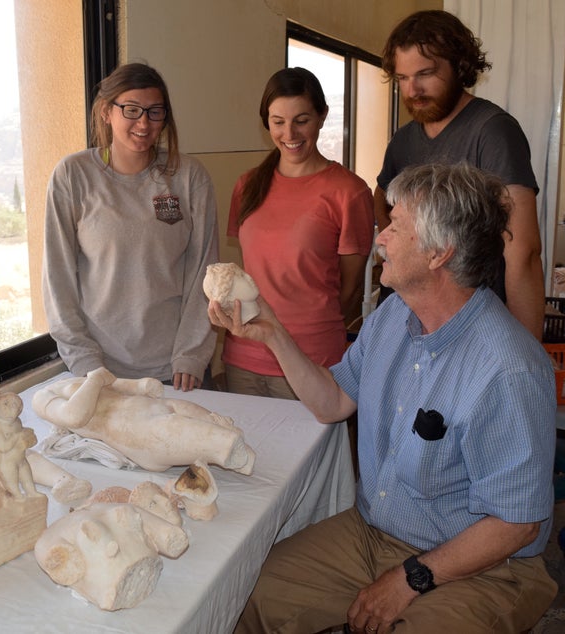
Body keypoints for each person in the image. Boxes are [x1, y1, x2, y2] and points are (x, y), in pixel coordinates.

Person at [209, 163, 557, 633]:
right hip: (373, 533)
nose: (380, 239)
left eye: (395, 227)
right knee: (245, 591)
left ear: (439, 254)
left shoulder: (508, 369)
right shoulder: (393, 316)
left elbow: (518, 524)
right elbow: (333, 402)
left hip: (486, 567)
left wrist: (411, 578)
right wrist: (271, 334)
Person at [42, 62, 218, 392]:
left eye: (155, 112)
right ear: (107, 112)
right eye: (132, 109)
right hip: (100, 372)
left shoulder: (189, 176)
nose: (144, 123)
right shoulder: (73, 175)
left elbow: (204, 273)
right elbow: (57, 279)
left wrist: (191, 355)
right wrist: (85, 362)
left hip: (177, 371)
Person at [374, 9, 544, 340]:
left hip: (472, 326)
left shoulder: (493, 131)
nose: (413, 90)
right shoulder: (404, 140)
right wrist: (394, 247)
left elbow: (522, 251)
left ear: (459, 67)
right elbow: (380, 195)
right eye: (402, 79)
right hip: (409, 317)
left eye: (425, 74)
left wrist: (525, 347)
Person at [222, 67, 374, 399]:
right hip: (243, 354)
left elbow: (347, 292)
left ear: (322, 116)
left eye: (301, 120)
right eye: (278, 121)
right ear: (267, 123)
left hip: (311, 359)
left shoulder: (349, 192)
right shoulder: (248, 186)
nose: (289, 132)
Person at [32, 366, 255, 474]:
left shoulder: (75, 380)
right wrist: (95, 379)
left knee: (196, 414)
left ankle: (230, 438)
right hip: (135, 431)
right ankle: (231, 452)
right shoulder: (41, 399)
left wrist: (139, 385)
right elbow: (74, 416)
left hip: (148, 407)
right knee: (198, 436)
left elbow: (116, 384)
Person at [0, 391, 41, 500]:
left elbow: (22, 436)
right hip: (6, 462)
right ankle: (17, 495)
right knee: (11, 480)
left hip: (21, 459)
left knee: (26, 475)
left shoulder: (17, 422)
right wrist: (17, 436)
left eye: (16, 404)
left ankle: (32, 492)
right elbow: (2, 447)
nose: (12, 407)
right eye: (6, 404)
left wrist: (28, 436)